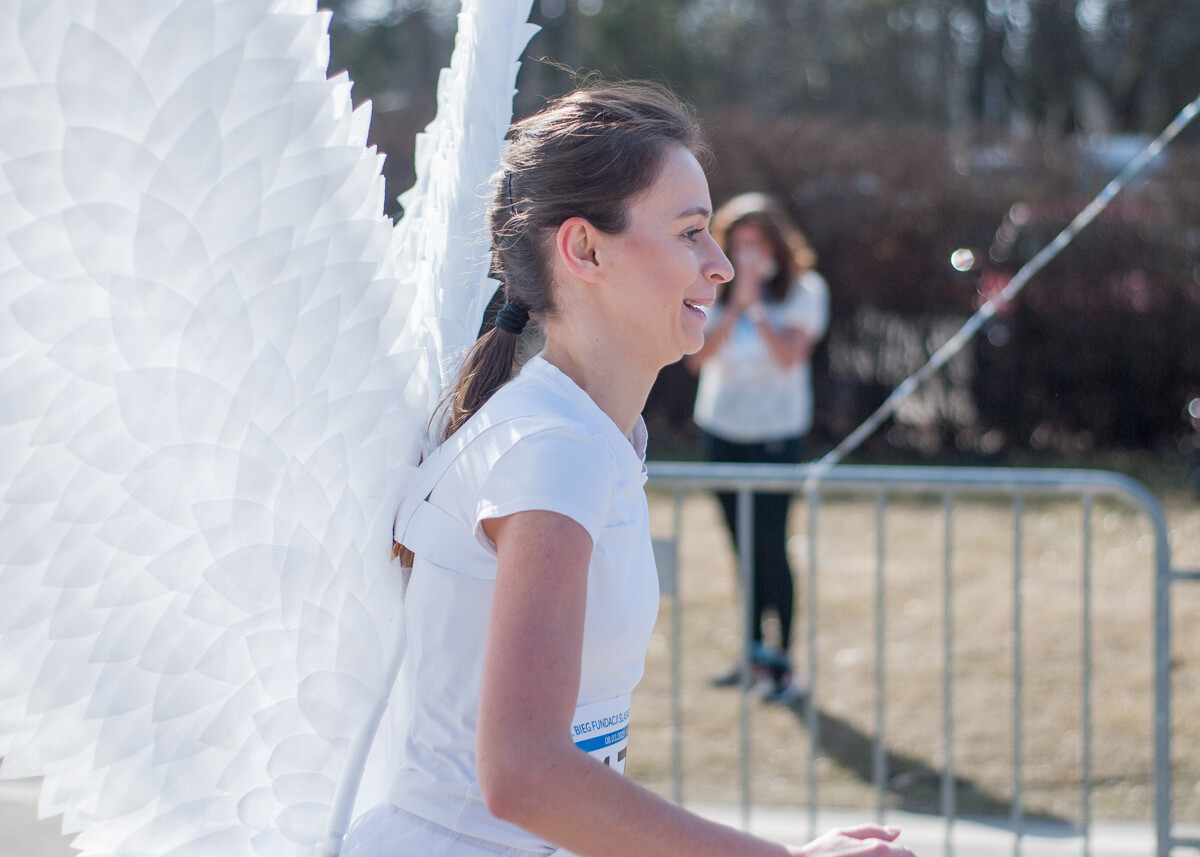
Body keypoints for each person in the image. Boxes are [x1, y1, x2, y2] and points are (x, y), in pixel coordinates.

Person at [342, 83, 912, 857]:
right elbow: (526, 777)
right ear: (584, 249)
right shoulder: (554, 447)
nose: (717, 266)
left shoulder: (582, 434)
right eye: (691, 233)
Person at [685, 193, 830, 705]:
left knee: (772, 547)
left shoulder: (805, 292)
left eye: (757, 243)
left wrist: (758, 306)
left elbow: (790, 356)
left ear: (776, 244)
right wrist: (734, 304)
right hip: (723, 430)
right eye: (737, 244)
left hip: (775, 435)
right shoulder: (710, 292)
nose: (746, 256)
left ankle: (782, 660)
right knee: (741, 548)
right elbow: (698, 361)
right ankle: (750, 653)